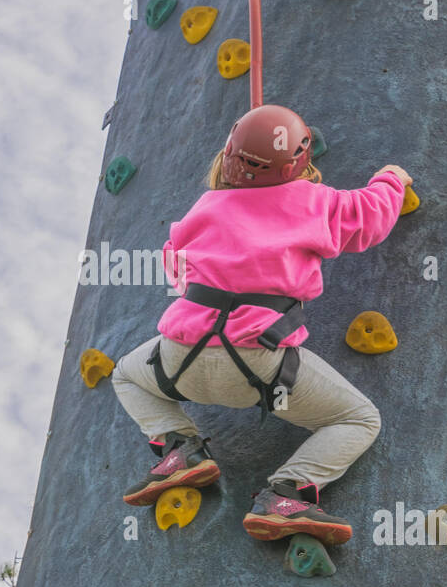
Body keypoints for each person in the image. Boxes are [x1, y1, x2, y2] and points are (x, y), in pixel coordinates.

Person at [110, 104, 412, 547]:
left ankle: (180, 449)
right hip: (262, 364)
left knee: (124, 374)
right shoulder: (314, 201)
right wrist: (392, 178)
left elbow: (174, 266)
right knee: (359, 419)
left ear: (229, 152)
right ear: (298, 164)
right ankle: (286, 493)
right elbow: (369, 217)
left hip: (178, 358)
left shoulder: (204, 206)